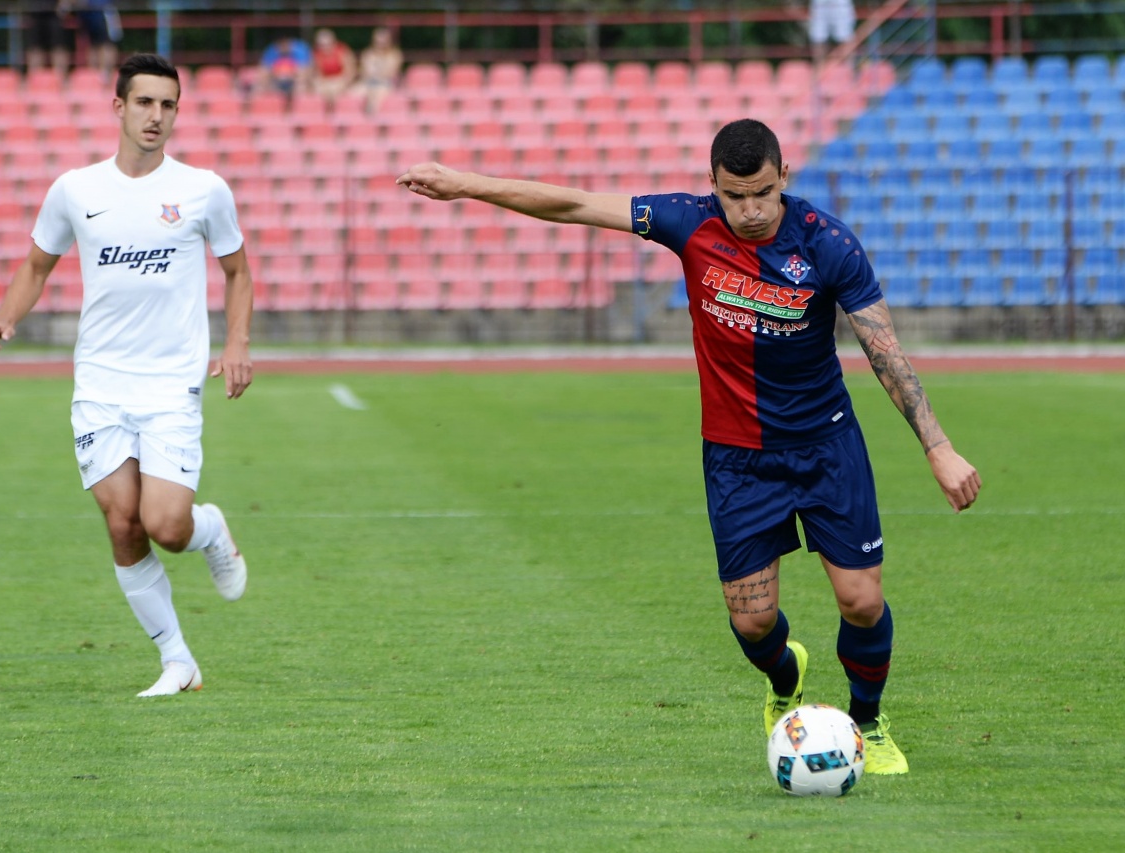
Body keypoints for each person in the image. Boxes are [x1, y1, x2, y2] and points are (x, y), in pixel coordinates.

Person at [397, 118, 981, 775]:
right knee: (754, 623)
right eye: (735, 196)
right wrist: (465, 184)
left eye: (763, 193)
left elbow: (884, 350)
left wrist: (938, 447)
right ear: (713, 185)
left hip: (826, 446)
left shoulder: (829, 244)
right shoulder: (687, 222)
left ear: (785, 178)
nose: (751, 210)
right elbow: (573, 204)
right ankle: (785, 679)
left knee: (862, 600)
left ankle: (868, 724)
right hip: (737, 458)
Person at [0, 53, 254, 698]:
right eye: (145, 103)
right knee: (122, 522)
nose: (156, 116)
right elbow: (37, 266)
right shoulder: (76, 190)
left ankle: (210, 530)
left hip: (170, 384)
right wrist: (4, 318)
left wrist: (237, 343)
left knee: (167, 526)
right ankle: (178, 662)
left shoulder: (204, 190)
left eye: (168, 105)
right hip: (100, 383)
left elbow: (238, 271)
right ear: (119, 108)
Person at [352, 26, 403, 113]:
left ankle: (372, 118)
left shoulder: (394, 54)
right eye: (378, 41)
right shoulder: (367, 53)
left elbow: (391, 72)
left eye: (383, 41)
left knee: (376, 97)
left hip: (386, 83)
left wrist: (375, 73)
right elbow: (363, 71)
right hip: (368, 82)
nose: (380, 43)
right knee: (349, 96)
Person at [67, 0, 122, 82]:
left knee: (107, 44)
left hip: (103, 11)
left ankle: (106, 75)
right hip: (87, 13)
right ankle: (95, 76)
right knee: (92, 45)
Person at [252, 34, 312, 99]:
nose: (282, 46)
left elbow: (304, 71)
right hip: (276, 81)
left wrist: (290, 75)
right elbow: (264, 69)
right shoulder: (272, 50)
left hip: (295, 82)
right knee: (261, 87)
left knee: (301, 86)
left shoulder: (300, 49)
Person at [23, 1, 71, 78]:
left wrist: (64, 6)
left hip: (55, 14)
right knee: (35, 49)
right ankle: (34, 79)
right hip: (35, 13)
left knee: (59, 48)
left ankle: (61, 79)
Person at [309, 28, 357, 104]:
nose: (324, 47)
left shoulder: (343, 51)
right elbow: (317, 74)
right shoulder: (316, 54)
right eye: (321, 45)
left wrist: (342, 84)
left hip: (341, 80)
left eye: (327, 44)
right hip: (326, 82)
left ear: (333, 43)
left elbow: (350, 72)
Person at [809, 0, 856, 65]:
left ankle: (849, 68)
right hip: (820, 4)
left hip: (840, 3)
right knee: (818, 38)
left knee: (846, 38)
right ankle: (819, 69)